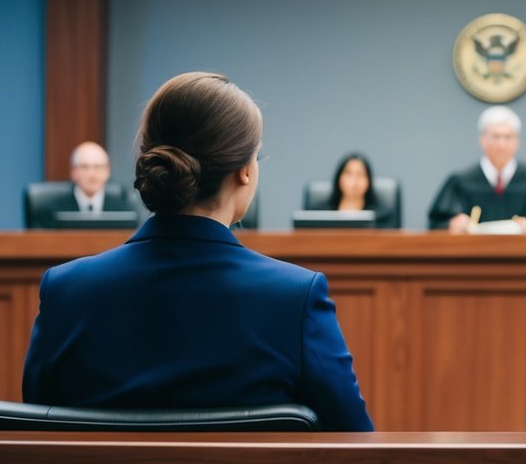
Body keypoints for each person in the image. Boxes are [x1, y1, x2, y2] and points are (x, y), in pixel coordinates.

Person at [22, 72, 373, 431]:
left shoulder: (65, 291)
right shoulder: (296, 298)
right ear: (245, 171)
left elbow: (35, 438)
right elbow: (355, 441)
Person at [428, 106, 526, 233]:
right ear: (482, 140)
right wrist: (453, 225)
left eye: (508, 137)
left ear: (517, 141)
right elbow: (436, 224)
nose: (501, 144)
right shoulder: (460, 181)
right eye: (495, 137)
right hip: (473, 256)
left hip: (524, 256)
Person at [29, 142, 137, 227]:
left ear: (107, 171)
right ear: (73, 172)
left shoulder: (124, 205)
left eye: (98, 167)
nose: (92, 174)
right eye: (85, 167)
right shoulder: (52, 208)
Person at [316, 152, 398, 229]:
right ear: (339, 178)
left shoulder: (382, 217)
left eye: (360, 175)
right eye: (349, 174)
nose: (354, 181)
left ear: (368, 181)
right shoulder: (319, 214)